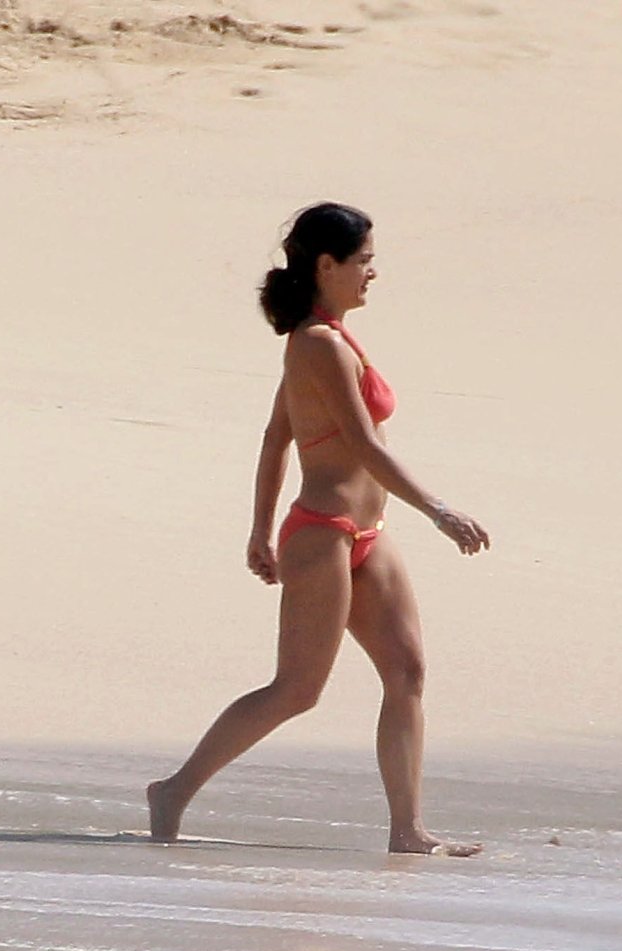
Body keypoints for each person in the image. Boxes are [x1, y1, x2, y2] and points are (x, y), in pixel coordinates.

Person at [147, 202, 490, 854]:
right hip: (323, 532)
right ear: (327, 265)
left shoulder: (330, 338)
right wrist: (438, 509)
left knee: (407, 672)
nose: (372, 273)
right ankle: (174, 790)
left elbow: (277, 436)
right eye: (363, 261)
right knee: (297, 690)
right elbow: (361, 444)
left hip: (366, 531)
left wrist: (257, 529)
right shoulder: (317, 345)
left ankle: (408, 830)